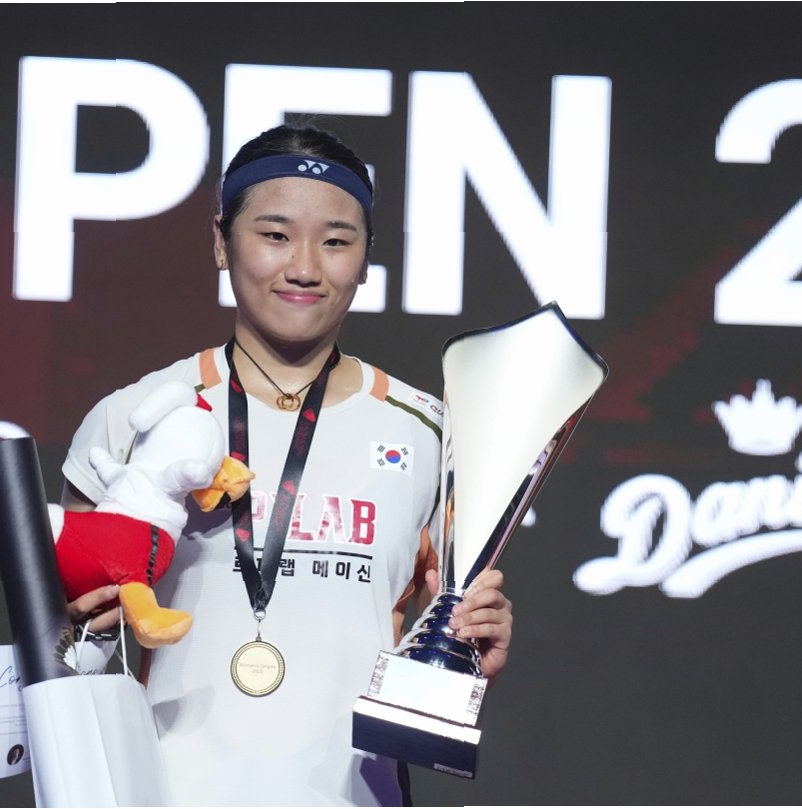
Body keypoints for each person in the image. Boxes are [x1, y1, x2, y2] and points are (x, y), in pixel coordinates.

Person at [60, 124, 513, 806]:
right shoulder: (134, 418)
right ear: (221, 242)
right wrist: (75, 628)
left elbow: (436, 649)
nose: (304, 267)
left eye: (335, 241)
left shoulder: (429, 434)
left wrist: (469, 658)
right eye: (274, 234)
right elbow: (59, 654)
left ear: (366, 258)